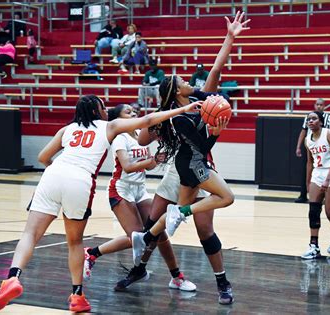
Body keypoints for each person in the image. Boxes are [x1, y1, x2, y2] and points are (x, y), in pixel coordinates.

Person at [0, 95, 200, 312]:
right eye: (103, 106)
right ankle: (76, 296)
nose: (107, 109)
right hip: (81, 179)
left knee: (30, 234)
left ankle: (12, 278)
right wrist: (183, 109)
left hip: (54, 174)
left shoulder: (67, 129)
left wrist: (55, 173)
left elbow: (43, 157)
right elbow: (148, 120)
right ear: (96, 111)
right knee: (74, 242)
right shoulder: (109, 126)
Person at [130, 12, 250, 305]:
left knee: (203, 230)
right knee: (157, 218)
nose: (187, 79)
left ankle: (222, 282)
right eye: (182, 80)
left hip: (196, 163)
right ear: (175, 93)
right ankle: (140, 266)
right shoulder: (175, 117)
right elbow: (145, 139)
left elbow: (216, 71)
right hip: (184, 164)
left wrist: (230, 38)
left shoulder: (200, 101)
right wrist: (150, 119)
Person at [82, 104, 196, 292]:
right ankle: (92, 253)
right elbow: (126, 166)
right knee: (137, 238)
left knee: (159, 233)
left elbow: (146, 167)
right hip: (121, 189)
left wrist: (157, 160)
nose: (133, 113)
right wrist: (151, 161)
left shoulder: (138, 136)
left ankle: (176, 277)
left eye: (134, 111)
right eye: (128, 112)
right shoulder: (120, 137)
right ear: (117, 119)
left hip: (140, 190)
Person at [301, 111, 330, 260]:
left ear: (320, 121)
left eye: (314, 119)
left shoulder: (329, 134)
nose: (310, 121)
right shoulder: (307, 140)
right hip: (317, 174)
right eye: (308, 119)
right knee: (313, 211)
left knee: (329, 213)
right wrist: (308, 182)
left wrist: (327, 179)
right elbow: (309, 162)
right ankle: (314, 246)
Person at [295, 98, 330, 203]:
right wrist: (298, 146)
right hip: (310, 147)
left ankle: (325, 195)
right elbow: (303, 131)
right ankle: (303, 194)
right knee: (307, 169)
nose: (319, 106)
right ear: (314, 105)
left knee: (323, 170)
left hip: (323, 149)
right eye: (317, 104)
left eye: (321, 105)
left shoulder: (328, 118)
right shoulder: (308, 117)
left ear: (324, 106)